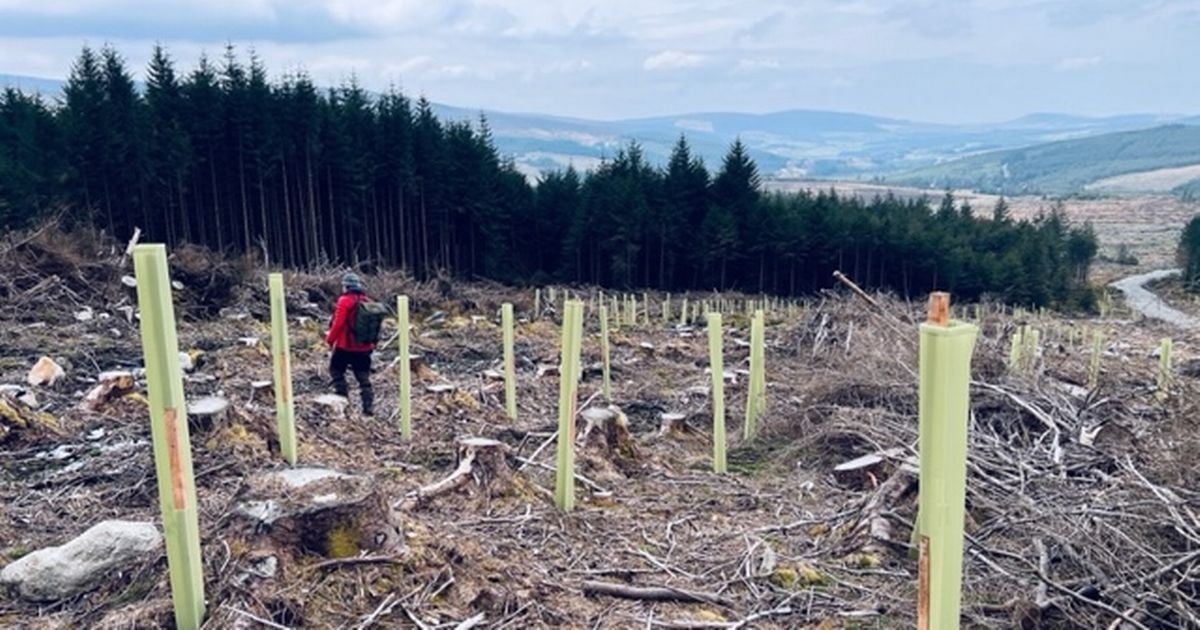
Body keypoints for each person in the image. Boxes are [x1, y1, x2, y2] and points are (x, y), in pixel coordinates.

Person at [326, 272, 375, 416]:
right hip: (364, 347)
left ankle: (343, 404)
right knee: (363, 378)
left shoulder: (344, 301)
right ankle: (368, 409)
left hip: (345, 346)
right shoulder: (367, 301)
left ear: (346, 286)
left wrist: (329, 340)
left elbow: (338, 323)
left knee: (336, 371)